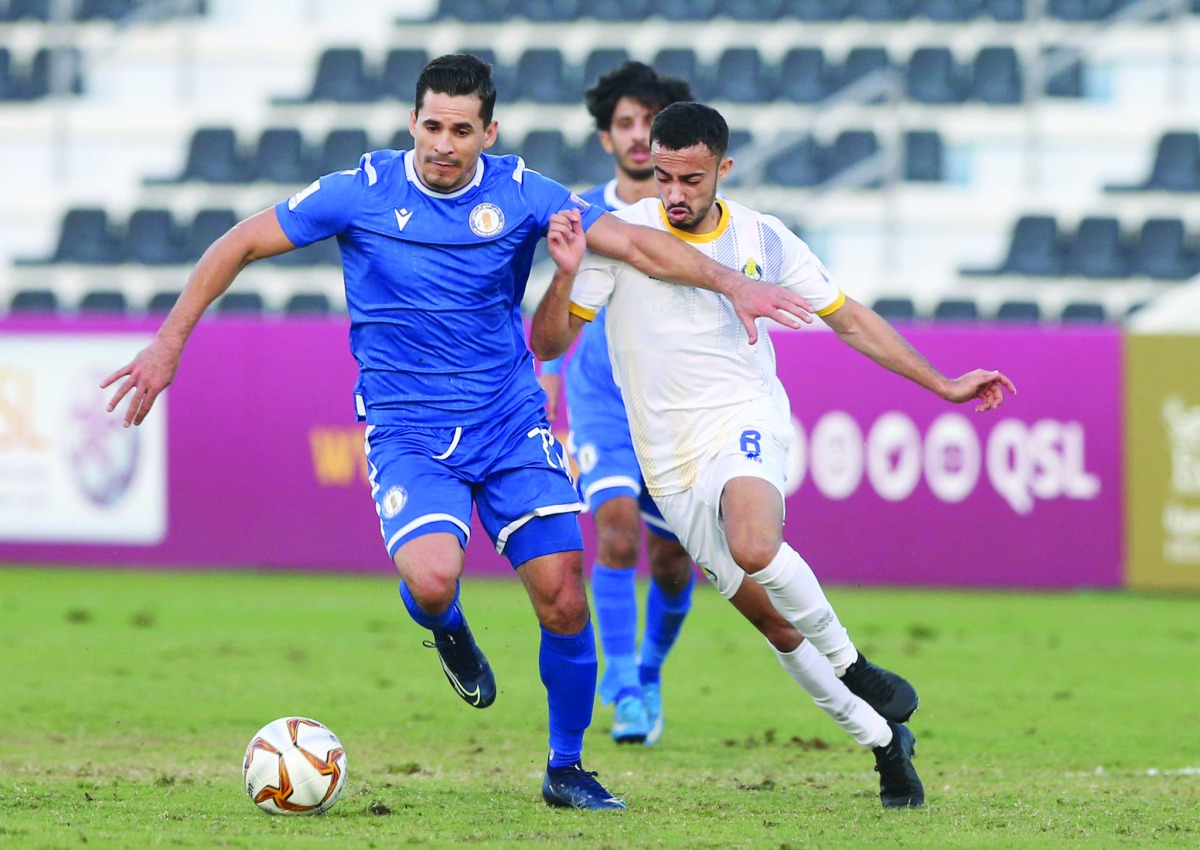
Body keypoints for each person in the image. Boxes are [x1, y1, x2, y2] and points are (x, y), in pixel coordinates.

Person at [100, 55, 815, 812]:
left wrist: (733, 280)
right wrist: (168, 342)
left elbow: (638, 246)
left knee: (564, 598)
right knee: (434, 579)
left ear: (488, 132)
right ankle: (447, 631)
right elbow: (238, 243)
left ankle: (566, 768)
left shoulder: (519, 192)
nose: (444, 143)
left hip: (508, 423)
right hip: (408, 429)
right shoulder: (361, 192)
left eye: (461, 130)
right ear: (413, 123)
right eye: (433, 126)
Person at [530, 101, 1017, 809]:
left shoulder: (765, 237)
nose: (674, 193)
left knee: (756, 544)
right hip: (668, 463)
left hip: (744, 422)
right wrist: (566, 273)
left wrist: (941, 383)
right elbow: (547, 344)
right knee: (776, 623)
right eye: (663, 176)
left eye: (691, 179)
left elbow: (847, 318)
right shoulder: (624, 240)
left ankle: (855, 667)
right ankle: (883, 740)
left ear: (723, 169)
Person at [538, 61, 697, 747]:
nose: (638, 137)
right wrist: (545, 378)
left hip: (672, 408)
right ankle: (626, 688)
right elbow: (553, 305)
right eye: (625, 124)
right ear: (607, 138)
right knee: (615, 528)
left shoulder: (695, 216)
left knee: (672, 561)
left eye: (650, 124)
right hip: (600, 398)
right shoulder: (580, 213)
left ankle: (650, 671)